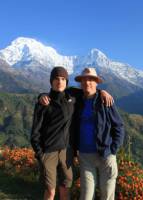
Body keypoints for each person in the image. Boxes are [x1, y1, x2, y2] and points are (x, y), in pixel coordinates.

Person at [74, 67, 125, 200]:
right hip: (85, 156)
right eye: (84, 80)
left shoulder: (105, 101)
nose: (87, 82)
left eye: (91, 79)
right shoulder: (78, 100)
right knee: (86, 195)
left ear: (96, 82)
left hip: (105, 155)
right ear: (80, 83)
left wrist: (113, 149)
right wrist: (42, 96)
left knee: (107, 195)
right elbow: (61, 91)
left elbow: (118, 125)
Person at [31, 67, 74, 200]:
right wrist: (40, 154)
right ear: (51, 81)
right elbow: (35, 132)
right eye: (56, 79)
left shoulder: (72, 100)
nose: (59, 82)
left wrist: (102, 92)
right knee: (50, 191)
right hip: (48, 152)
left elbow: (89, 90)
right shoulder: (44, 103)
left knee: (65, 187)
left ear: (66, 82)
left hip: (66, 152)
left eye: (63, 79)